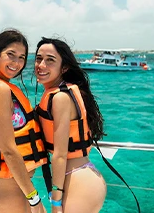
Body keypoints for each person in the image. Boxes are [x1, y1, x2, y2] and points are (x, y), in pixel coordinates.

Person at [0, 29, 49, 213]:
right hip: (5, 189)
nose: (16, 63)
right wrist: (34, 198)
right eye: (11, 55)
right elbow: (8, 150)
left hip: (9, 187)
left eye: (22, 57)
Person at [34, 37, 107, 213]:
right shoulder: (58, 92)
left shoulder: (60, 97)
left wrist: (55, 202)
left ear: (64, 67)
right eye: (38, 59)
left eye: (50, 60)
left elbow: (60, 154)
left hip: (79, 181)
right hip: (79, 177)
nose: (41, 65)